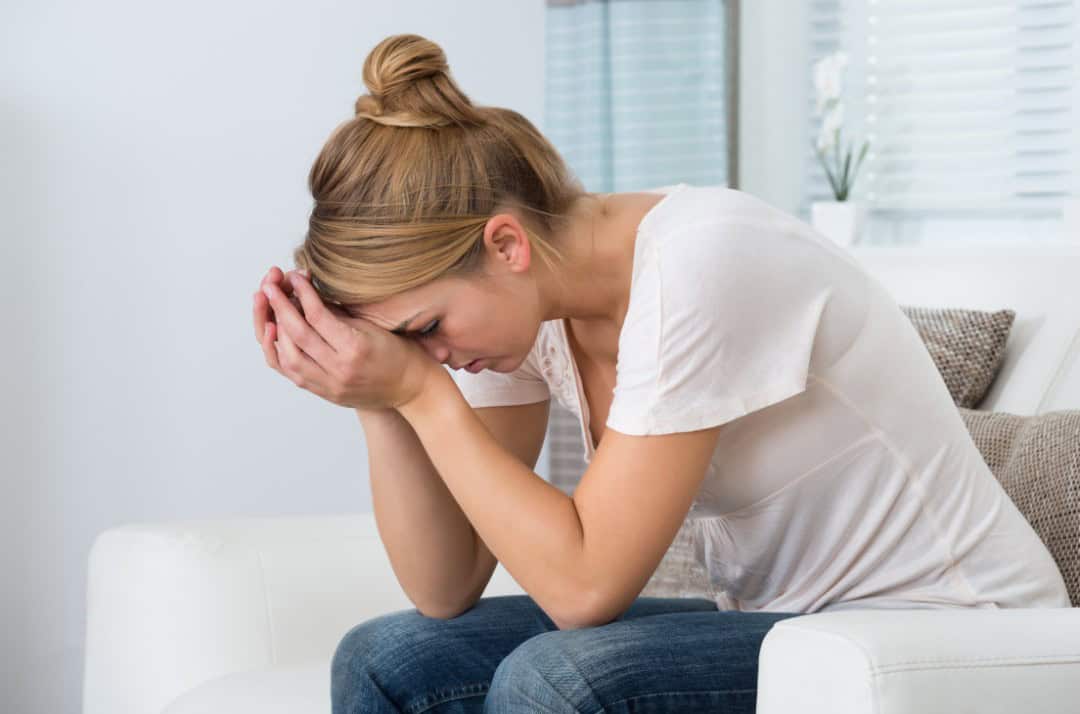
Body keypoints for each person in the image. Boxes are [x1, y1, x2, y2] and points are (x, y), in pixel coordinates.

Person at [252, 33, 1069, 714]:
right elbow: (445, 584)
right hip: (791, 626)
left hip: (948, 633)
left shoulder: (701, 257)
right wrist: (376, 401)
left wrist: (421, 396)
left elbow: (584, 589)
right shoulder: (522, 309)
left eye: (425, 329)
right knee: (390, 656)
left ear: (506, 245)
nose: (433, 356)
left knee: (560, 681)